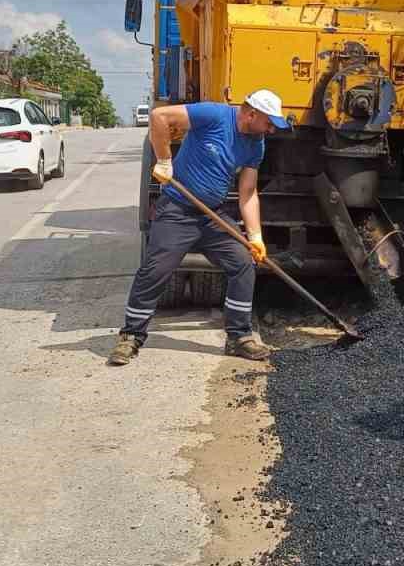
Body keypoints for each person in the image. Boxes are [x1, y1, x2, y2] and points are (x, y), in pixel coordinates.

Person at [109, 90, 291, 367]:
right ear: (251, 113)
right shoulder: (215, 115)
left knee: (243, 261)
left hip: (212, 217)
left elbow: (248, 193)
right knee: (156, 269)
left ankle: (239, 336)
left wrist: (255, 236)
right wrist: (164, 160)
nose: (271, 129)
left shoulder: (257, 144)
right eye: (269, 122)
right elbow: (159, 116)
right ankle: (131, 335)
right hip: (177, 211)